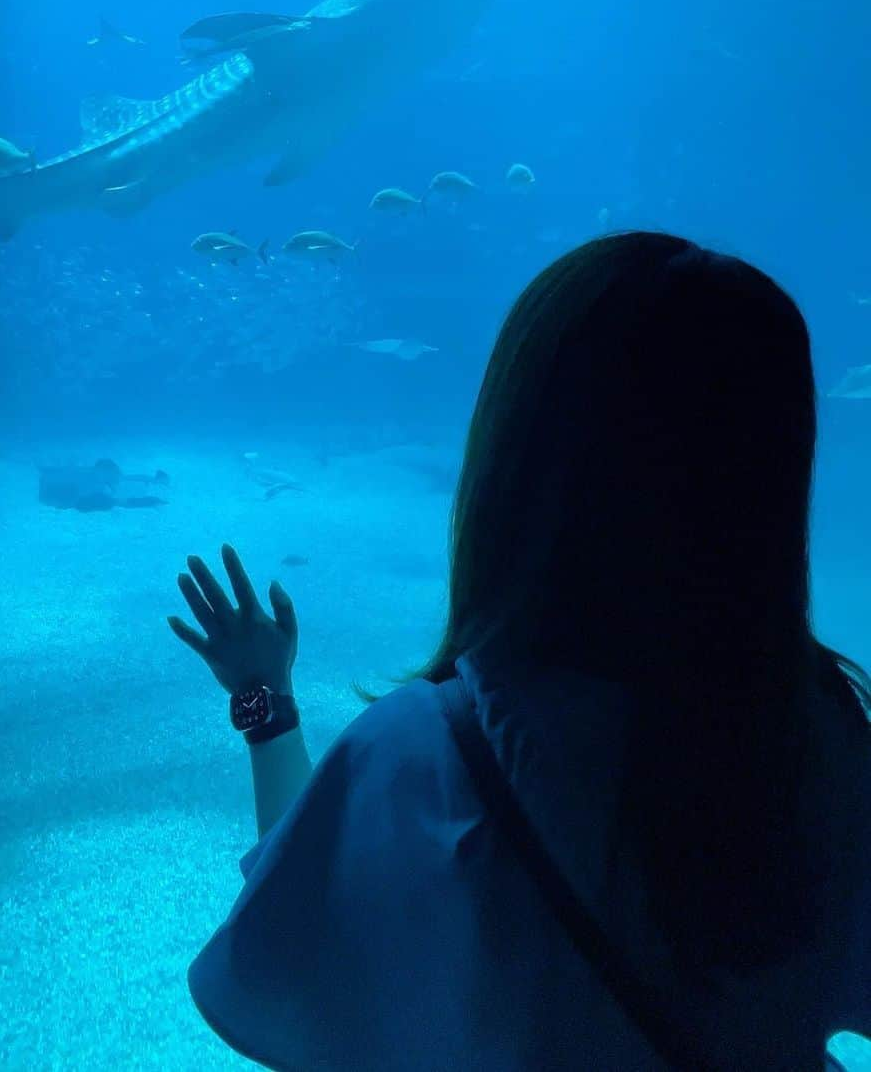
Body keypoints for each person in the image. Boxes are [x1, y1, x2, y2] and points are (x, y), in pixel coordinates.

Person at [168, 231, 871, 1070]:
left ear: (520, 458)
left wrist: (262, 700)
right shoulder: (829, 740)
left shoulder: (427, 753)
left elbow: (291, 934)